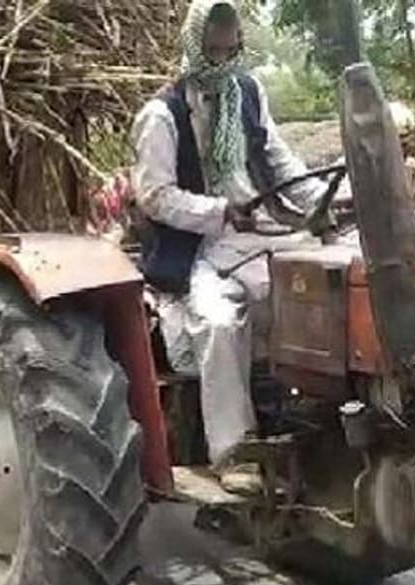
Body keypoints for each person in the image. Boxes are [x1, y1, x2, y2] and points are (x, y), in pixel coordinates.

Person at [131, 0, 329, 491]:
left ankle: (318, 434)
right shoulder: (163, 114)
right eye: (214, 50)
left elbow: (280, 163)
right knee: (219, 322)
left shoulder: (247, 92)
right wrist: (216, 212)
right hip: (199, 245)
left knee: (321, 294)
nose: (223, 60)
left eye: (231, 48)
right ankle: (233, 451)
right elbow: (154, 196)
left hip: (257, 230)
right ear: (194, 45)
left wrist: (327, 200)